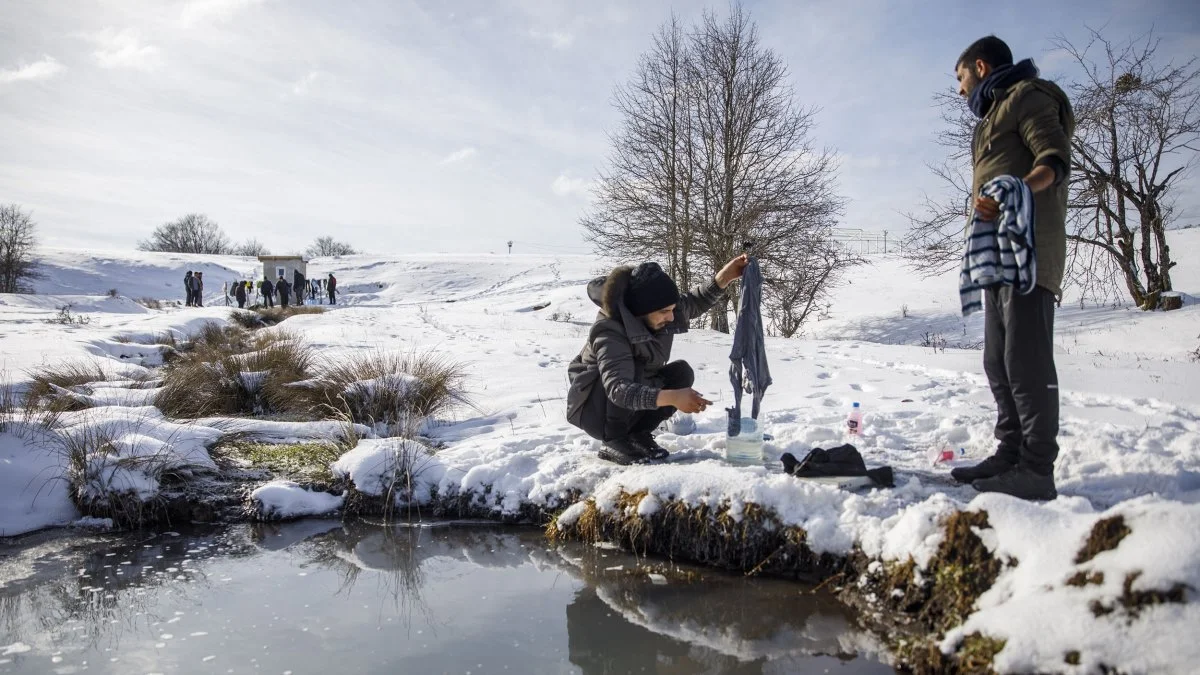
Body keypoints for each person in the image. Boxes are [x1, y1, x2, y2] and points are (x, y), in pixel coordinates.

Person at [949, 36, 1074, 501]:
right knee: (997, 361)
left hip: (1028, 252)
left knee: (1026, 360)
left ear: (980, 67)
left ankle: (1037, 469)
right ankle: (1010, 453)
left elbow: (1055, 160)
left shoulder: (1028, 97)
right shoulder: (991, 117)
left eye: (961, 79)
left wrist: (1010, 193)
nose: (961, 92)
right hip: (995, 259)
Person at [566, 255, 749, 465]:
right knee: (633, 368)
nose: (671, 317)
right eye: (664, 312)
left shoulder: (659, 312)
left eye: (671, 309)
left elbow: (693, 303)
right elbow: (618, 388)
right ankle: (614, 441)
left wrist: (724, 277)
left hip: (630, 392)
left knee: (681, 373)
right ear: (640, 311)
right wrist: (672, 397)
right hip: (595, 407)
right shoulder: (609, 331)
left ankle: (637, 435)